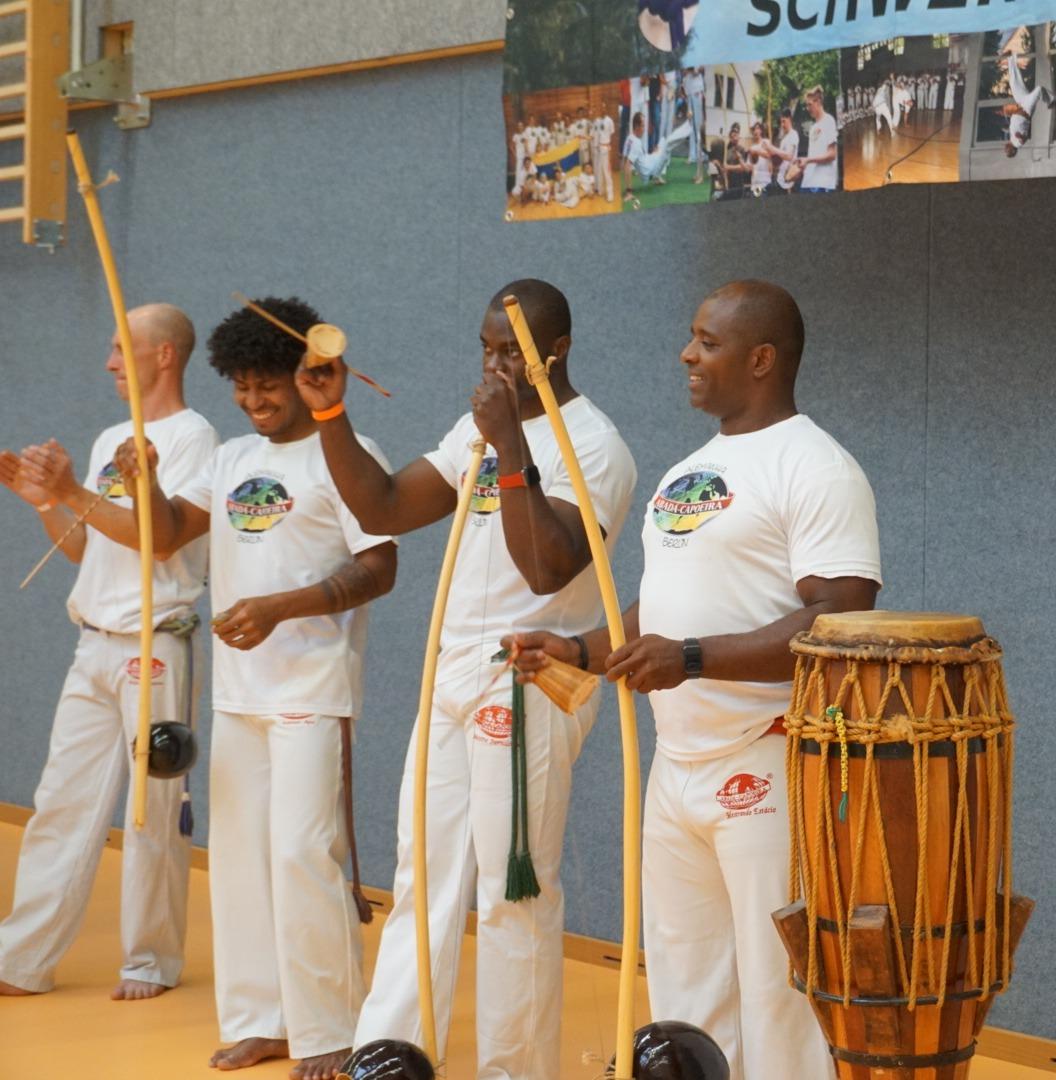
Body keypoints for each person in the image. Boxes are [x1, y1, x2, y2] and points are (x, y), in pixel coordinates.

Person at [506, 279, 881, 1080]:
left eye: (708, 342)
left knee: (779, 990)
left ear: (762, 358)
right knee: (685, 987)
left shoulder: (817, 465)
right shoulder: (692, 468)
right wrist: (578, 649)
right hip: (676, 768)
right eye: (692, 337)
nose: (686, 354)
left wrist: (693, 658)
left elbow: (841, 620)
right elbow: (665, 605)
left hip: (767, 760)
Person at [293, 278, 637, 1080]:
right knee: (422, 873)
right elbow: (383, 509)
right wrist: (330, 415)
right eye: (485, 349)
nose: (493, 366)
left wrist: (512, 449)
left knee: (514, 892)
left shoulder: (594, 445)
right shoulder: (472, 432)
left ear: (557, 351)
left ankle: (515, 1071)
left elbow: (547, 567)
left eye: (510, 352)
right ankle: (390, 1056)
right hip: (452, 671)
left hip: (530, 677)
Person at [111, 297, 398, 1080]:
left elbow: (380, 566)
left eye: (266, 384)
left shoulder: (346, 453)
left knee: (304, 855)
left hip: (313, 689)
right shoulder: (233, 456)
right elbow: (170, 533)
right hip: (239, 695)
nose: (252, 401)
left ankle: (330, 1028)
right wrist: (144, 484)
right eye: (240, 386)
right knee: (239, 862)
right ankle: (263, 1021)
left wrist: (281, 608)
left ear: (304, 376)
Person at [0, 304, 218, 1001]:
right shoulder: (109, 438)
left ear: (164, 355)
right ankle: (21, 960)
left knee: (153, 809)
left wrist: (72, 489)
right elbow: (85, 550)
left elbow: (162, 537)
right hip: (92, 643)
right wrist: (47, 502)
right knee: (59, 802)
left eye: (122, 348)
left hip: (153, 647)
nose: (109, 363)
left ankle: (150, 960)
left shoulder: (194, 437)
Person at [623, 111, 692, 199]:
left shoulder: (629, 138)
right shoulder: (635, 144)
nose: (644, 129)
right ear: (636, 127)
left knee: (662, 141)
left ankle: (657, 177)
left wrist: (653, 154)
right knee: (668, 143)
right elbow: (627, 164)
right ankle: (689, 124)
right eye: (643, 126)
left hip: (650, 161)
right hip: (650, 170)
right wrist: (629, 191)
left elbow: (625, 159)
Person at [1001, 47, 1053, 157]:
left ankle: (1010, 57)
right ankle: (1051, 100)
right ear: (1012, 151)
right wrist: (1020, 137)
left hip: (1020, 104)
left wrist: (1008, 128)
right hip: (1026, 109)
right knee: (1039, 89)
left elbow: (1018, 128)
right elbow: (1023, 139)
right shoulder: (1017, 144)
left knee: (1014, 83)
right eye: (1006, 151)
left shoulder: (1011, 139)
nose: (1004, 149)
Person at [796, 86, 839, 193]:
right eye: (806, 105)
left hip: (823, 184)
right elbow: (812, 156)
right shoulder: (813, 128)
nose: (807, 108)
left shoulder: (829, 120)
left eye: (809, 104)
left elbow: (832, 154)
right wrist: (803, 165)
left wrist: (808, 160)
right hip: (808, 183)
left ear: (818, 102)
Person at [767, 109, 801, 193]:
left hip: (790, 181)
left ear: (789, 119)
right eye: (781, 122)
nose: (782, 125)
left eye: (784, 121)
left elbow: (789, 156)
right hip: (780, 180)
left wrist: (773, 148)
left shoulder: (794, 135)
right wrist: (771, 153)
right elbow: (780, 158)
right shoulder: (784, 139)